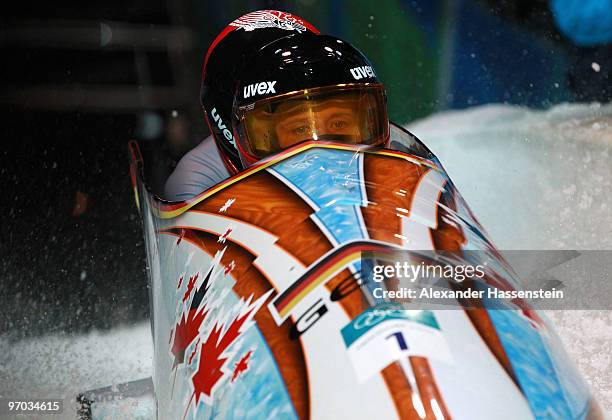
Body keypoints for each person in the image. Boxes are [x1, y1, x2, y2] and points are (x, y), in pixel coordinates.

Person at [165, 10, 389, 201]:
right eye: (300, 129)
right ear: (235, 134)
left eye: (339, 123)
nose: (326, 149)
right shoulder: (196, 184)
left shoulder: (398, 153)